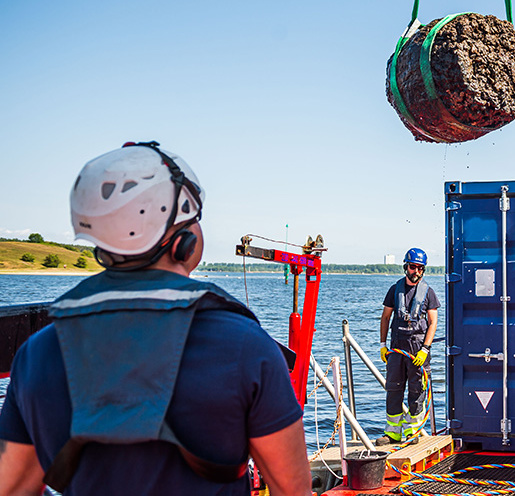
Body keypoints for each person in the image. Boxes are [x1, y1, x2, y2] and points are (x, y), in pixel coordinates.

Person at [0, 142, 310, 495]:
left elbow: (12, 489)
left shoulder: (37, 354)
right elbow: (291, 489)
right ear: (184, 241)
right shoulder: (246, 347)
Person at [376, 248, 440, 446]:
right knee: (393, 389)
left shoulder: (428, 293)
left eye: (420, 268)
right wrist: (383, 345)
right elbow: (386, 317)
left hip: (417, 349)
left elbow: (433, 322)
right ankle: (393, 433)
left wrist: (425, 349)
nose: (416, 271)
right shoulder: (395, 290)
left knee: (417, 389)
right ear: (406, 267)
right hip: (396, 347)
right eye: (413, 267)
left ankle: (413, 432)